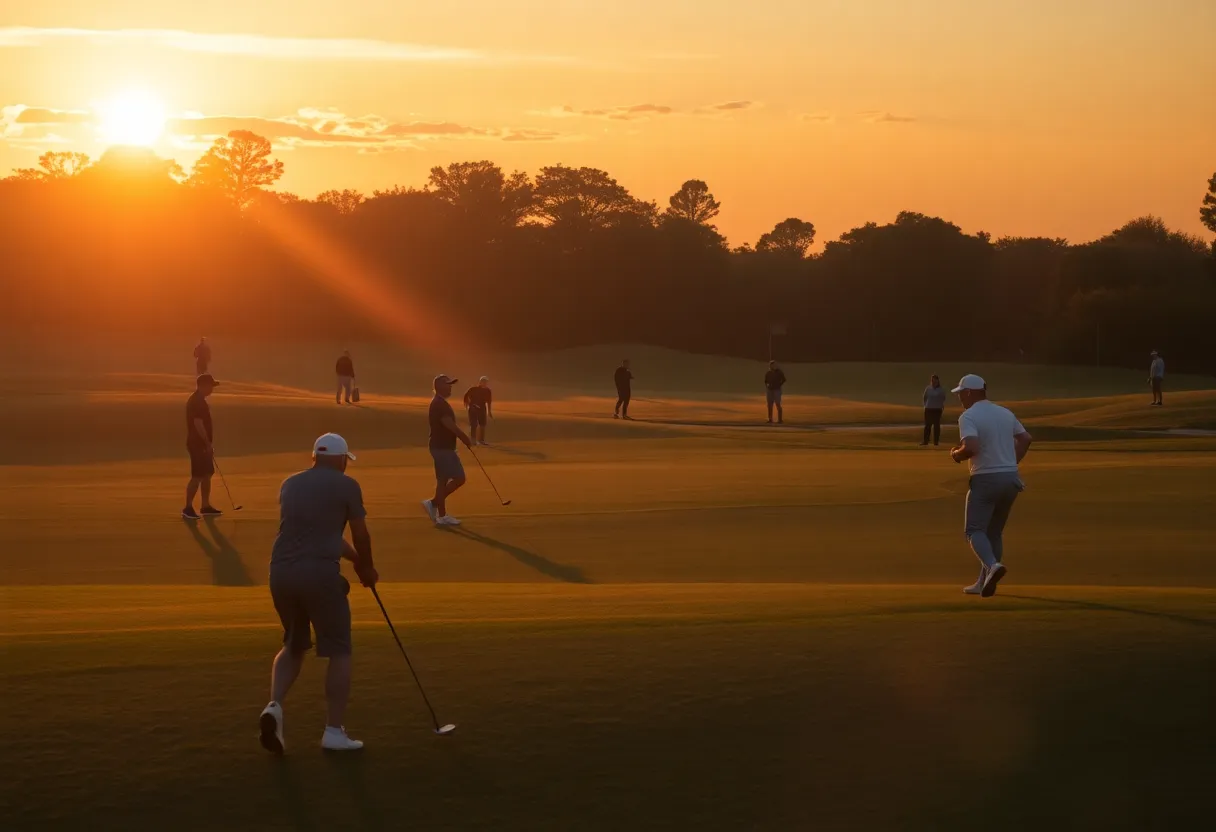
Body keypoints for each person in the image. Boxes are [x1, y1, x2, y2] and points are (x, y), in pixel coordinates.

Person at [258, 433, 377, 754]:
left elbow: (322, 534)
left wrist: (353, 560)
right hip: (319, 576)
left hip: (280, 573)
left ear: (314, 457)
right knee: (339, 649)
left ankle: (274, 707)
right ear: (341, 460)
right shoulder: (346, 485)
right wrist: (367, 568)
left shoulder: (290, 484)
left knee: (293, 644)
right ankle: (333, 731)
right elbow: (361, 535)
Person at [948, 374, 1033, 598]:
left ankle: (993, 567)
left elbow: (972, 447)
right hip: (1011, 479)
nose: (960, 399)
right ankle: (982, 582)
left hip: (986, 478)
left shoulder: (968, 416)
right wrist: (1010, 462)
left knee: (974, 530)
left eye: (960, 394)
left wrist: (956, 455)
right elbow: (1025, 438)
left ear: (969, 393)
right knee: (994, 532)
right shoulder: (1004, 412)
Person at [422, 374, 472, 527]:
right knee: (459, 478)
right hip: (442, 447)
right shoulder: (439, 404)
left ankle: (441, 515)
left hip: (441, 446)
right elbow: (448, 424)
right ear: (439, 387)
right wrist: (464, 437)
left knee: (442, 480)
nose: (450, 387)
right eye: (448, 384)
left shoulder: (440, 402)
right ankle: (434, 503)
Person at [183, 374, 222, 520]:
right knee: (197, 476)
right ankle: (187, 507)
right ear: (203, 385)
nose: (212, 389)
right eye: (210, 386)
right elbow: (198, 424)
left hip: (202, 444)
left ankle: (205, 506)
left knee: (207, 474)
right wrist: (207, 443)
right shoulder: (197, 402)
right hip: (197, 444)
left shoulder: (200, 401)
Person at [463, 376, 493, 446]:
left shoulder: (488, 391)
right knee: (474, 424)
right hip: (473, 408)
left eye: (485, 382)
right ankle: (473, 440)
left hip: (482, 408)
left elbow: (489, 402)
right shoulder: (473, 389)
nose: (484, 383)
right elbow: (466, 396)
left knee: (482, 424)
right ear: (480, 382)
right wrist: (467, 404)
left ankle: (481, 440)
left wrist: (489, 411)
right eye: (483, 381)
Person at [921, 374, 946, 445]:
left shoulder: (941, 390)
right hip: (928, 408)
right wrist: (925, 405)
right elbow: (925, 397)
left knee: (936, 425)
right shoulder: (928, 388)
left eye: (935, 380)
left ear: (938, 381)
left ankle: (936, 441)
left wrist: (940, 404)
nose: (933, 382)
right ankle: (925, 441)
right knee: (927, 425)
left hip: (937, 409)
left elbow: (943, 398)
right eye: (932, 380)